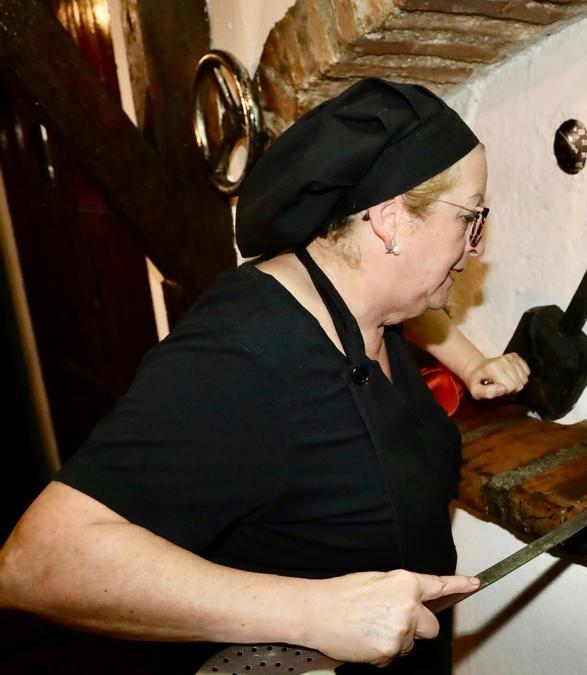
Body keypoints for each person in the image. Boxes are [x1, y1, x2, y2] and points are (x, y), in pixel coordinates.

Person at [0, 78, 528, 673]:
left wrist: (473, 360)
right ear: (390, 221)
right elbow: (36, 562)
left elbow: (421, 328)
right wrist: (314, 612)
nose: (475, 245)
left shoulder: (366, 308)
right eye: (469, 218)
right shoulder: (243, 354)